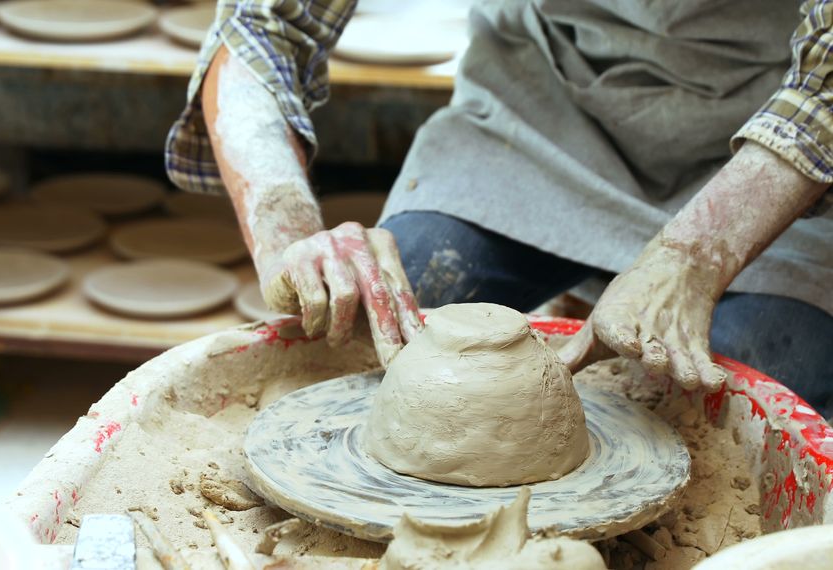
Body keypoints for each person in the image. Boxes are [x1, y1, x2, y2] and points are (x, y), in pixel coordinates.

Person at [165, 0, 833, 416]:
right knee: (365, 334)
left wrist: (693, 255)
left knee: (725, 397)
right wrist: (289, 234)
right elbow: (264, 23)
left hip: (776, 138)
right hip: (544, 103)